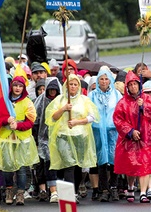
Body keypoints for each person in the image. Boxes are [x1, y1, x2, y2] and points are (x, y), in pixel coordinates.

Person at [45, 74, 99, 203]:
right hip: (63, 136)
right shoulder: (59, 100)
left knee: (77, 165)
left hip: (80, 136)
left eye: (75, 84)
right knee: (69, 164)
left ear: (79, 86)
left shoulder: (84, 100)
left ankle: (74, 192)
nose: (73, 87)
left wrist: (77, 122)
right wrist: (63, 109)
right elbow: (52, 117)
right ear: (66, 86)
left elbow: (92, 117)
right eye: (71, 84)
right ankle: (69, 196)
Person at [113, 70, 151, 203]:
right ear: (127, 87)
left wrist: (144, 106)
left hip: (146, 138)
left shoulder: (146, 98)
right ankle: (130, 187)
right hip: (129, 139)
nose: (133, 87)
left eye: (135, 84)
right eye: (130, 85)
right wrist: (130, 131)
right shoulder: (123, 103)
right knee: (131, 165)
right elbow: (118, 120)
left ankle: (142, 192)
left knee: (144, 165)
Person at [0, 75, 39, 205]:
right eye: (15, 85)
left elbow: (31, 122)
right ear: (11, 86)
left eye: (20, 86)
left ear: (23, 88)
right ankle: (9, 189)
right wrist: (6, 120)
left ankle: (20, 193)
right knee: (7, 167)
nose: (17, 88)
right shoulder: (3, 102)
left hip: (22, 139)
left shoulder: (27, 102)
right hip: (7, 139)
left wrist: (18, 125)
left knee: (21, 168)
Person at [88, 67, 122, 202]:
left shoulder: (117, 95)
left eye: (106, 78)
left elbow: (121, 111)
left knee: (114, 159)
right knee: (101, 159)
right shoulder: (92, 95)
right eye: (101, 79)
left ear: (110, 80)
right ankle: (104, 189)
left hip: (113, 131)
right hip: (97, 131)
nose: (103, 81)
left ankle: (114, 187)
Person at [32, 77, 62, 203]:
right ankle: (48, 190)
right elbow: (36, 119)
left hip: (59, 137)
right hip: (43, 138)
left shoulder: (61, 101)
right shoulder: (41, 101)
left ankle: (56, 189)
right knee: (45, 164)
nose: (52, 92)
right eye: (50, 90)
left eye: (54, 90)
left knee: (58, 165)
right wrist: (37, 137)